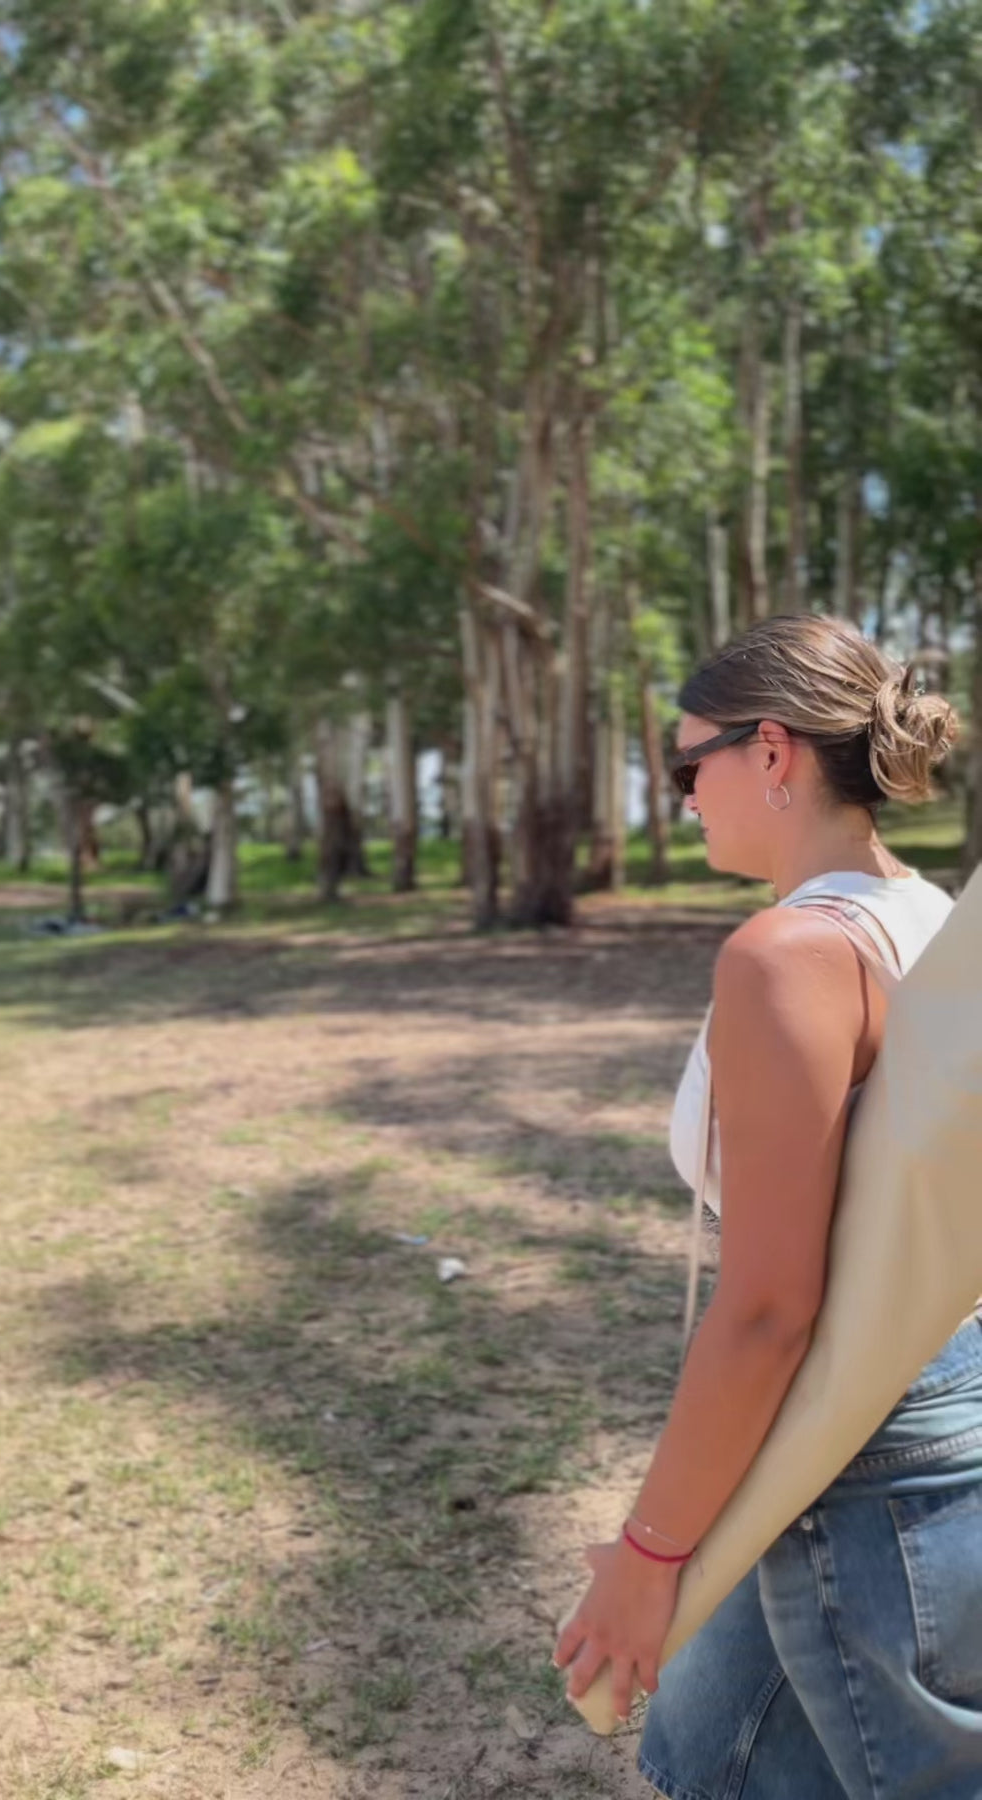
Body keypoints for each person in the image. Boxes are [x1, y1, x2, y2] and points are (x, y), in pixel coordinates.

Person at [553, 615, 982, 1799]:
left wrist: (647, 1553)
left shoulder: (785, 955)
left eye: (687, 765)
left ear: (774, 752)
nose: (682, 796)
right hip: (929, 1399)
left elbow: (768, 1309)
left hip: (851, 1454)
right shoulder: (928, 916)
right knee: (706, 1762)